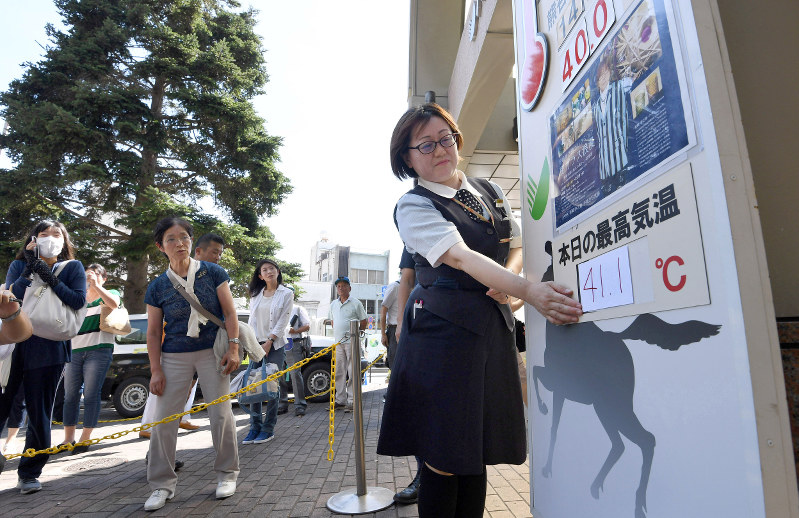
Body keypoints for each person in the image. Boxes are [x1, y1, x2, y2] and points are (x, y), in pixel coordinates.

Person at [377, 103, 582, 517]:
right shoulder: (413, 206)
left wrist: (509, 284)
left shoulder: (487, 190)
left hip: (490, 330)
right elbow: (461, 257)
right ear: (407, 158)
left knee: (476, 450)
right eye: (426, 144)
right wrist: (531, 292)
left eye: (446, 138)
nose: (440, 150)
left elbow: (517, 244)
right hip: (441, 338)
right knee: (445, 456)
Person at [142, 218, 240, 511]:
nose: (180, 243)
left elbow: (230, 313)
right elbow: (152, 331)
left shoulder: (213, 272)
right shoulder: (157, 286)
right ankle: (161, 484)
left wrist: (234, 348)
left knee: (221, 415)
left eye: (184, 237)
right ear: (161, 247)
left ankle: (226, 475)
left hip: (213, 351)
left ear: (191, 242)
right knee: (163, 420)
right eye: (171, 239)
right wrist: (156, 370)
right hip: (173, 355)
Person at [1, 220, 86, 494]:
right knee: (4, 403)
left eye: (56, 234)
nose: (50, 238)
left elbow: (77, 301)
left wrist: (48, 275)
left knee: (39, 412)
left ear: (64, 240)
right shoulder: (19, 265)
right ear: (33, 238)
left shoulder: (72, 267)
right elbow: (11, 297)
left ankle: (29, 471)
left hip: (50, 347)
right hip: (15, 342)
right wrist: (29, 267)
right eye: (44, 233)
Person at [139, 233, 226, 440]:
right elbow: (156, 327)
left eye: (220, 254)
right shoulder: (164, 282)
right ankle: (151, 432)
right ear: (198, 251)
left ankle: (180, 420)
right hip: (173, 351)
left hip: (206, 349)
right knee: (163, 399)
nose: (218, 257)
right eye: (214, 252)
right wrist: (158, 363)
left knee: (189, 393)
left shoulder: (214, 277)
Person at [60, 264, 120, 454]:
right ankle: (68, 439)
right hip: (75, 351)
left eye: (94, 275)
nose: (89, 279)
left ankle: (85, 439)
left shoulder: (109, 292)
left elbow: (114, 304)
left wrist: (96, 286)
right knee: (70, 395)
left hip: (99, 350)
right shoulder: (79, 298)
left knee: (92, 394)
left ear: (104, 278)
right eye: (86, 276)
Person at [243, 259, 293, 444]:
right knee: (253, 385)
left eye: (271, 268)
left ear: (278, 271)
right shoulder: (256, 294)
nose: (269, 271)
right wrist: (249, 343)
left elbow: (283, 320)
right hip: (255, 344)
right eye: (265, 270)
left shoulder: (286, 293)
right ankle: (254, 426)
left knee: (272, 386)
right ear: (260, 275)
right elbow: (251, 321)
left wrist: (270, 341)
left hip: (275, 345)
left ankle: (268, 428)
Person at [327, 276, 366, 412]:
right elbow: (332, 321)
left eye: (344, 285)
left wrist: (357, 334)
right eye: (338, 286)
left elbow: (363, 321)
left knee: (352, 371)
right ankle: (340, 399)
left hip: (352, 341)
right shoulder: (333, 304)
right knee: (339, 371)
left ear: (349, 288)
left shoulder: (356, 303)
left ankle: (352, 401)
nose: (341, 288)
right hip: (338, 342)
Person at [278, 302, 310, 416]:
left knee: (295, 374)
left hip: (293, 342)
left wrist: (295, 331)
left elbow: (307, 326)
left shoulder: (298, 309)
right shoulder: (278, 307)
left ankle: (300, 405)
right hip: (279, 343)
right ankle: (282, 403)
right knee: (279, 375)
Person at [379, 278, 400, 370]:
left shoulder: (415, 287)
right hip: (394, 328)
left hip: (409, 329)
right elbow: (383, 311)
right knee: (395, 363)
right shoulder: (395, 287)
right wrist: (383, 334)